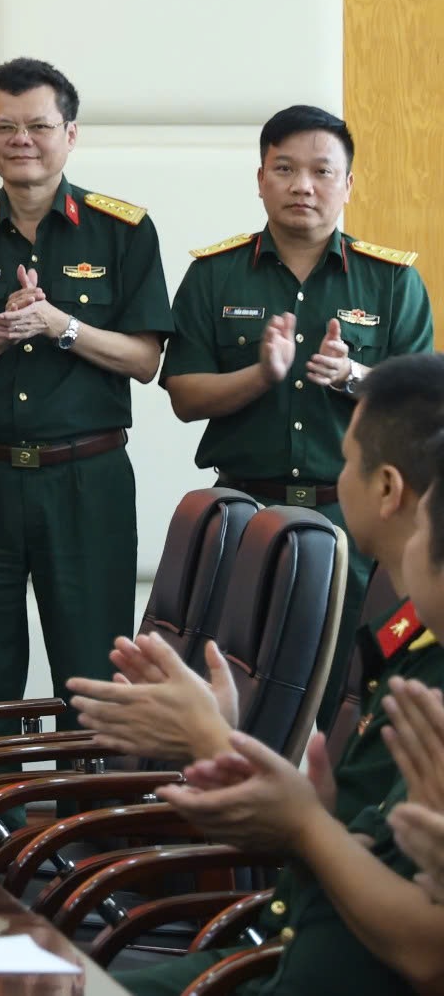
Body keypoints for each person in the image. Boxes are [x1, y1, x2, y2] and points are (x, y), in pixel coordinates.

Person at [113, 359, 444, 996]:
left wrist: (298, 816)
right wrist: (238, 751)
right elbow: (363, 832)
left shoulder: (427, 673)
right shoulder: (402, 638)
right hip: (286, 951)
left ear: (387, 489)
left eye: (346, 461)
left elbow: (423, 946)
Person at [0, 58, 170, 725]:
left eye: (38, 125)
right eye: (5, 126)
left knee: (92, 672)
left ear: (70, 133)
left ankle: (86, 799)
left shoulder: (123, 230)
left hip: (86, 479)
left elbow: (145, 359)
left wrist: (62, 325)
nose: (21, 139)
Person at [162, 105, 434, 673]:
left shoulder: (392, 281)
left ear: (348, 184)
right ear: (261, 179)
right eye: (284, 169)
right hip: (244, 517)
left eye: (321, 171)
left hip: (355, 525)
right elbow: (184, 396)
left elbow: (423, 409)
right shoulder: (214, 274)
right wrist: (261, 376)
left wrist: (352, 375)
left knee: (349, 690)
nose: (302, 186)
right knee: (239, 691)